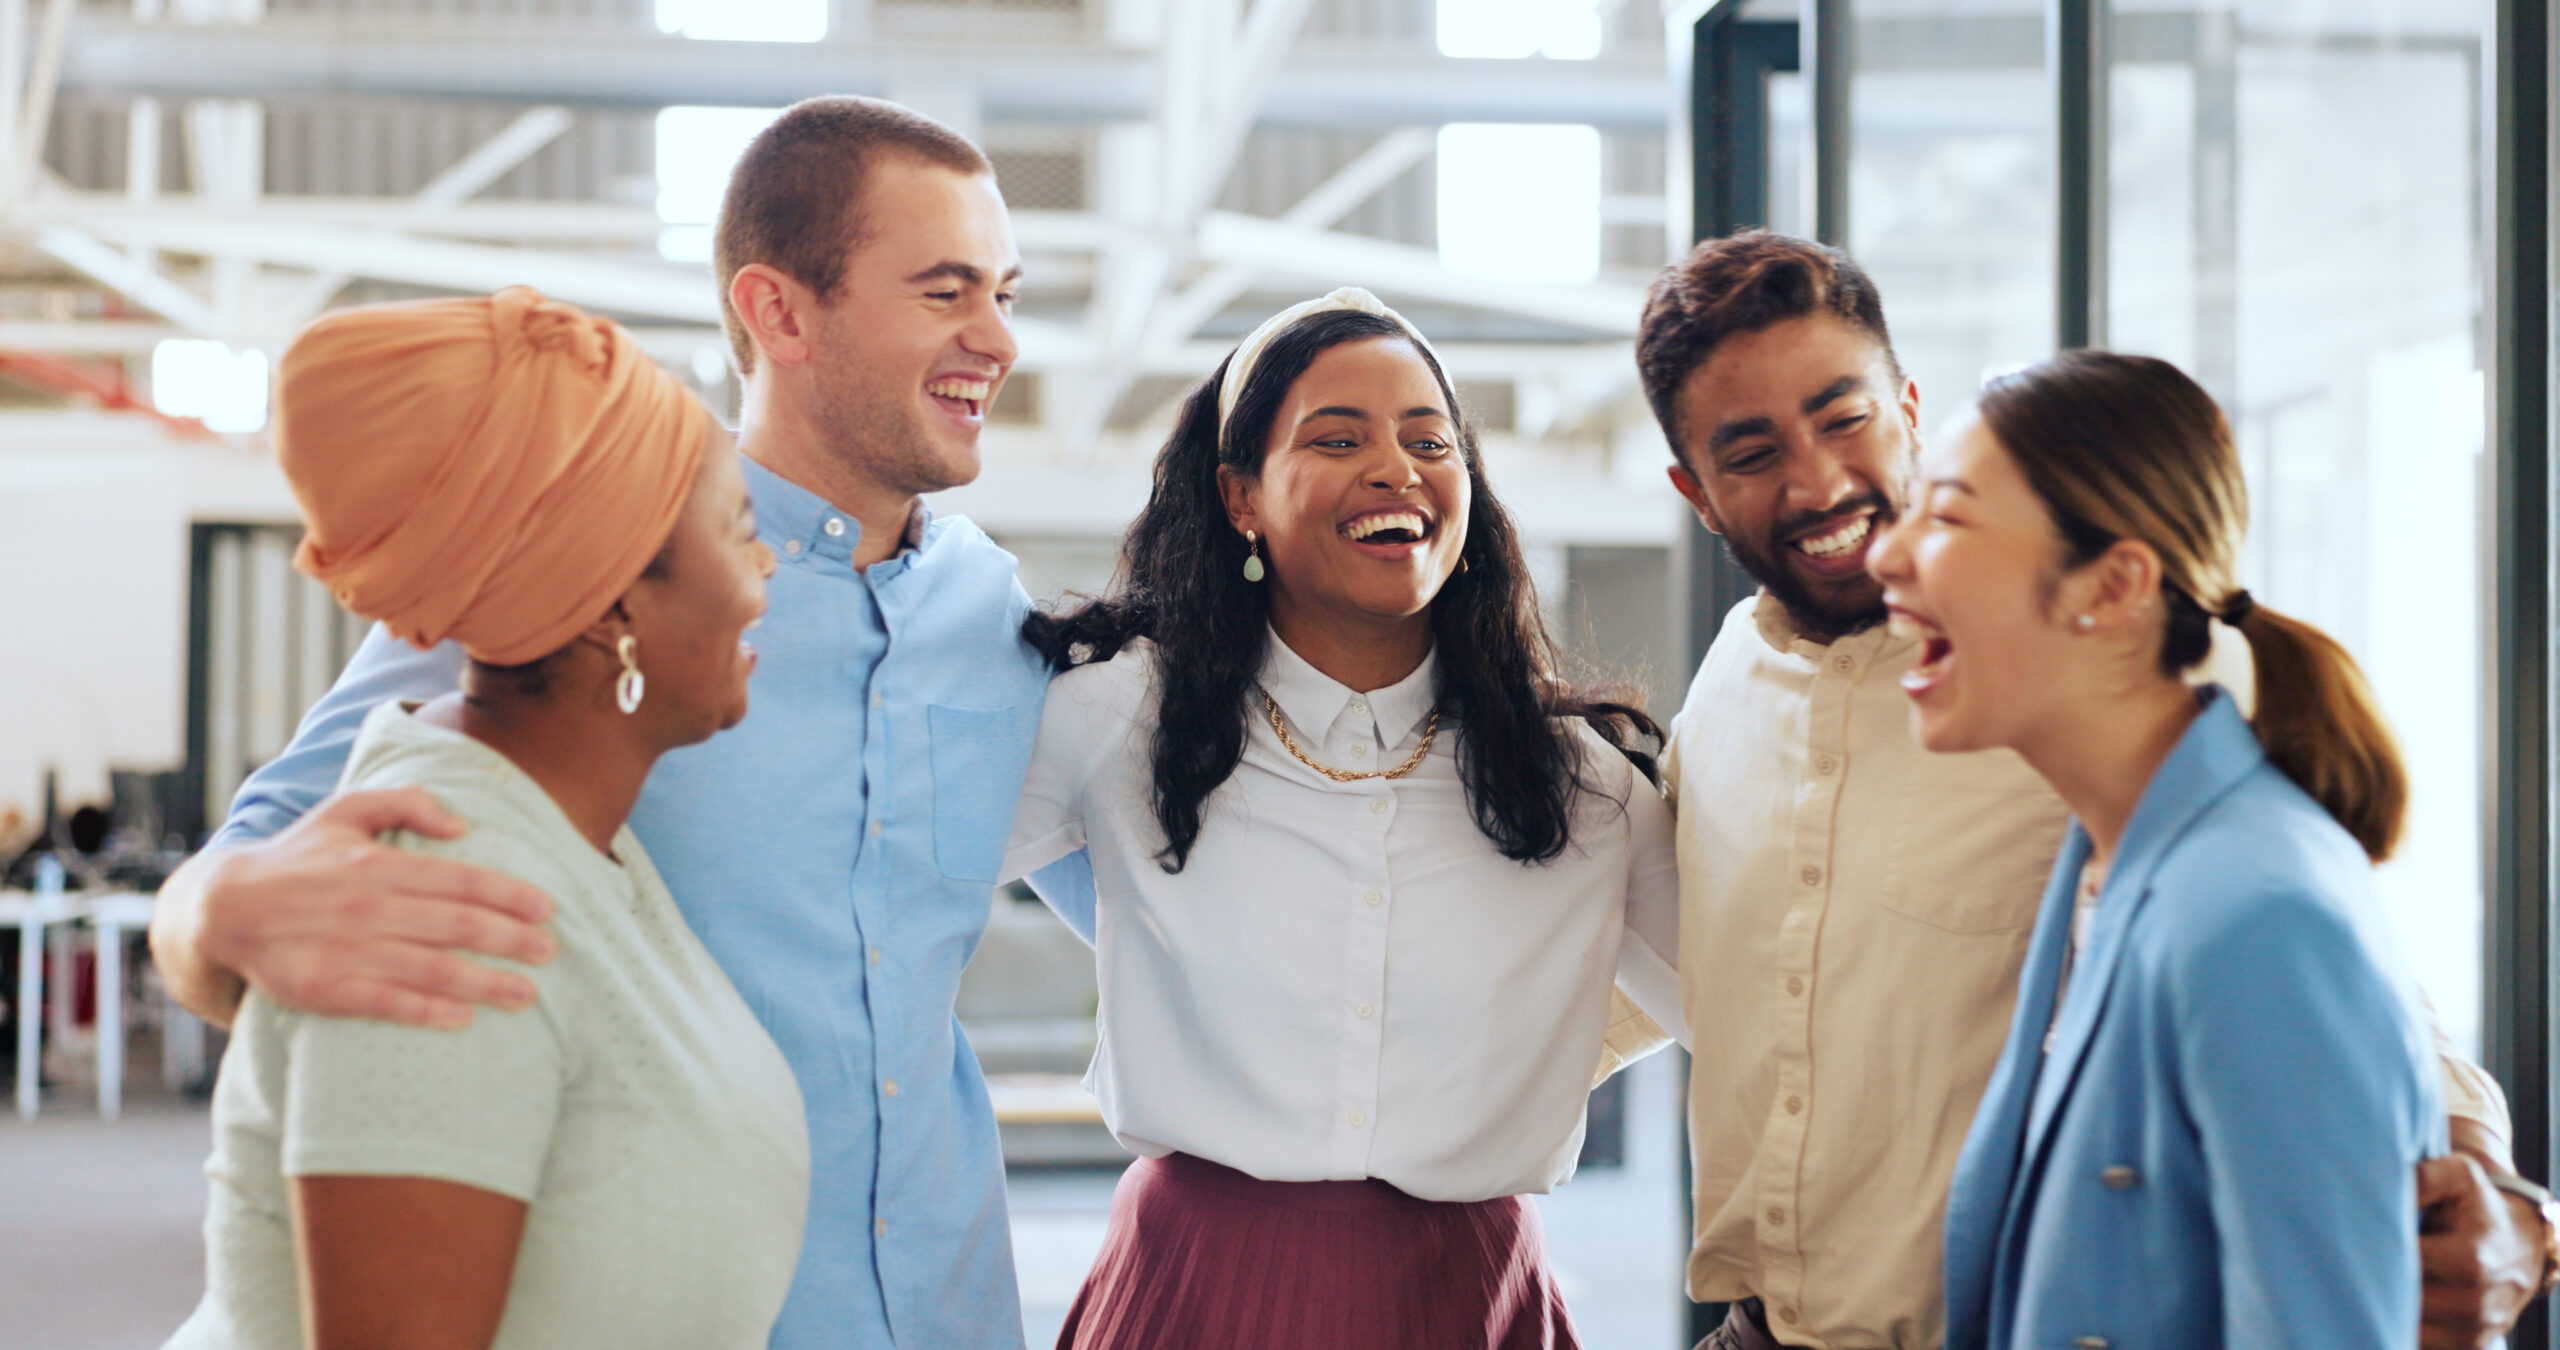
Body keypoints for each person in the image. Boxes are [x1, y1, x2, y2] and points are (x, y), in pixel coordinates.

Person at [148, 97, 1064, 1349]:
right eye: (947, 292)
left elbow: (1163, 882)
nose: (997, 338)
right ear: (778, 311)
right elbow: (250, 878)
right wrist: (208, 914)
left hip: (949, 1313)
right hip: (665, 1299)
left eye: (1005, 292)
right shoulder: (587, 562)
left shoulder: (993, 614)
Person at [1615, 229, 2547, 1350]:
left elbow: (2323, 967)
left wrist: (2497, 1190)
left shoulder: (2088, 689)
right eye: (1752, 451)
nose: (1818, 481)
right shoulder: (1721, 694)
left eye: (1842, 416)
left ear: (1906, 404)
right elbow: (1684, 973)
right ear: (1695, 492)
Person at [1002, 288, 1687, 1350]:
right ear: (1240, 496)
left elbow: (1759, 1025)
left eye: (1431, 439)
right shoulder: (1117, 719)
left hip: (1470, 1300)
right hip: (1193, 1293)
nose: (1396, 468)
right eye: (1337, 438)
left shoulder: (1580, 785)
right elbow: (890, 891)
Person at [166, 287, 804, 1349]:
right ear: (613, 608)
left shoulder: (574, 843)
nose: (764, 575)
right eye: (739, 532)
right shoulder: (438, 903)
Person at [1873, 350, 2443, 1347]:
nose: (1887, 554)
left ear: (2114, 583)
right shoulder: (2098, 863)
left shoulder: (2261, 914)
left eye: (1949, 516)